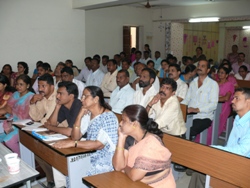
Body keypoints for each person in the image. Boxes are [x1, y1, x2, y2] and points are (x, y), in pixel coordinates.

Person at [53, 86, 118, 187]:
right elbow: (75, 136)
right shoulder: (88, 114)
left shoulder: (109, 117)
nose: (81, 99)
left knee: (76, 169)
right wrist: (79, 115)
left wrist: (73, 143)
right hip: (90, 153)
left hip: (105, 161)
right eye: (82, 96)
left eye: (85, 96)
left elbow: (99, 145)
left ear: (96, 99)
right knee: (65, 163)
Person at [188, 87, 250, 188]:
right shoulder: (238, 118)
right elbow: (231, 145)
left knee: (201, 169)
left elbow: (242, 151)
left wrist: (214, 149)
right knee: (198, 170)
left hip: (244, 167)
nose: (232, 101)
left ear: (248, 102)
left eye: (237, 98)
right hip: (232, 159)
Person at [113, 104, 176, 188]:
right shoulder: (130, 138)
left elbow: (134, 176)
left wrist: (124, 167)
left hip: (157, 185)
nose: (120, 123)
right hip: (136, 184)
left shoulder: (151, 144)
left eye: (123, 120)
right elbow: (117, 167)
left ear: (134, 124)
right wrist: (121, 137)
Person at [29, 73, 56, 188]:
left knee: (41, 148)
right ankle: (51, 178)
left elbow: (48, 120)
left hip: (59, 130)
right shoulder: (42, 97)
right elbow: (36, 117)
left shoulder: (57, 98)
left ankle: (54, 178)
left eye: (43, 86)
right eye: (39, 86)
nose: (40, 89)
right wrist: (32, 102)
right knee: (34, 149)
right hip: (46, 129)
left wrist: (40, 125)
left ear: (52, 87)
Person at [181, 60, 219, 141]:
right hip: (189, 115)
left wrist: (197, 109)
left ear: (208, 70)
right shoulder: (193, 83)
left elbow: (213, 105)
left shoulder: (213, 84)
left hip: (203, 117)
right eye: (198, 65)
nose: (199, 67)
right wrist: (181, 108)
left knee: (187, 131)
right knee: (174, 127)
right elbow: (187, 99)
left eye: (203, 66)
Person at [0, 74, 34, 155]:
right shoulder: (15, 94)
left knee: (9, 141)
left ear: (28, 85)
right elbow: (7, 108)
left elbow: (26, 115)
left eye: (21, 84)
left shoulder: (31, 97)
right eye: (17, 84)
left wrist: (11, 112)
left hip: (24, 125)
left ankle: (21, 159)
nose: (18, 86)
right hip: (12, 121)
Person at [204, 67, 234, 145]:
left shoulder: (229, 84)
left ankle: (210, 140)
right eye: (219, 72)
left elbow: (226, 98)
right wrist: (218, 98)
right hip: (214, 104)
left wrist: (215, 98)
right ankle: (203, 138)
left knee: (216, 119)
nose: (220, 74)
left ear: (227, 75)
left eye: (222, 73)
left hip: (224, 106)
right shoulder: (215, 83)